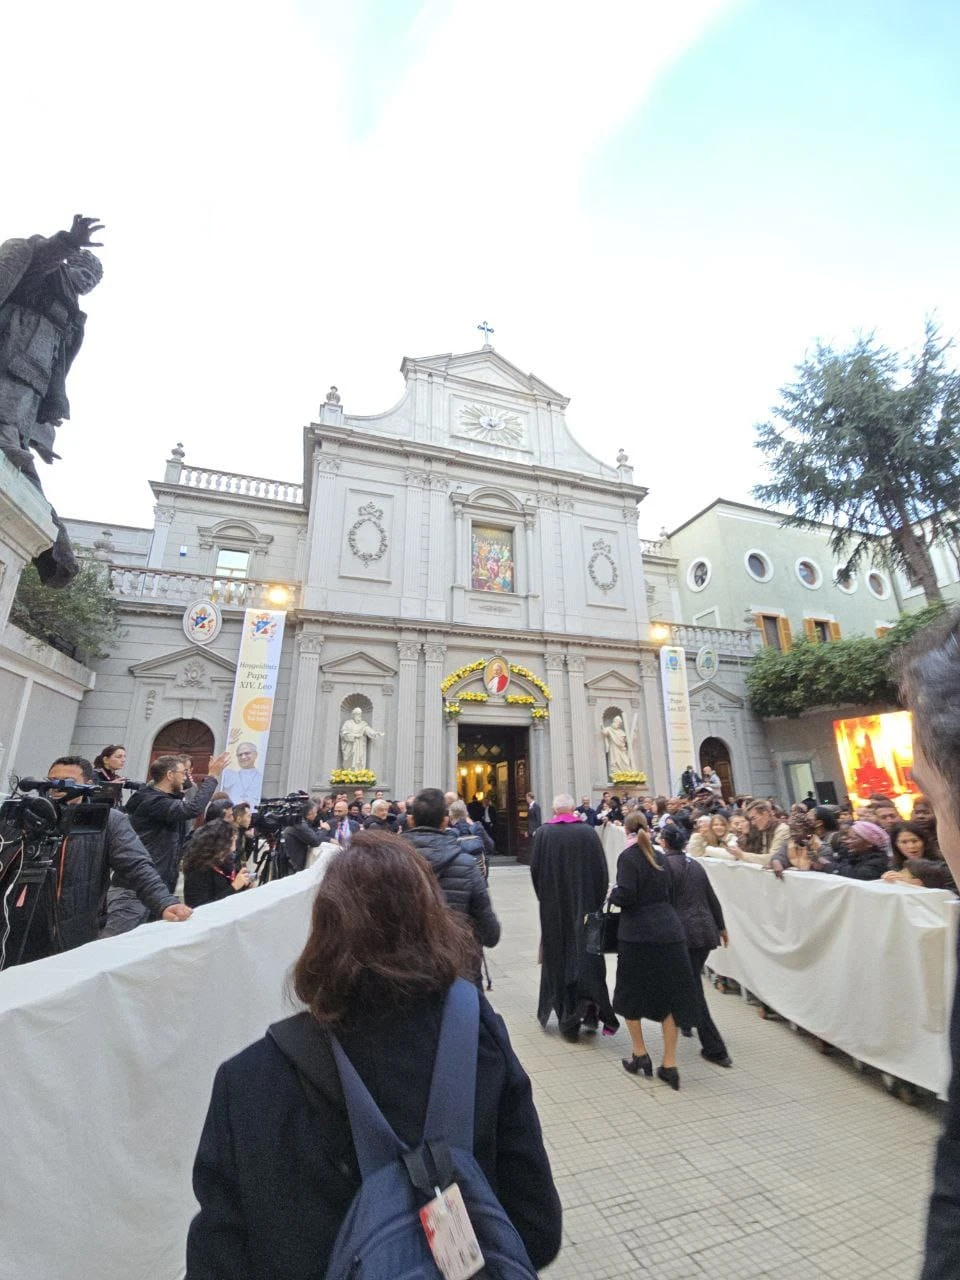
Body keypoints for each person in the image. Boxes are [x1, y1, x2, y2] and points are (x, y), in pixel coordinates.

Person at [186, 830, 562, 1277]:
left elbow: (217, 1260)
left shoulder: (248, 1080)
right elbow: (537, 1230)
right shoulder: (478, 1035)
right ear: (432, 919)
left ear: (322, 930)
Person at [0, 215, 105, 585]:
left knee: (14, 437)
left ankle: (55, 549)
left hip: (36, 381)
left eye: (93, 282)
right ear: (70, 265)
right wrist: (69, 242)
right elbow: (39, 255)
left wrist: (53, 405)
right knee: (8, 436)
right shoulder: (44, 277)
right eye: (85, 274)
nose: (87, 282)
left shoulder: (74, 316)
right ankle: (57, 555)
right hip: (9, 358)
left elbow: (62, 360)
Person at [29, 757, 191, 954]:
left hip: (74, 927)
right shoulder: (30, 816)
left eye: (67, 780)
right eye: (52, 779)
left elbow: (137, 865)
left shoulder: (109, 820)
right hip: (22, 924)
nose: (57, 785)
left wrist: (163, 902)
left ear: (88, 785)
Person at [611, 813, 700, 1089]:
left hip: (638, 935)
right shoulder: (660, 856)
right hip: (670, 932)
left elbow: (626, 893)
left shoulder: (628, 858)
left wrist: (612, 894)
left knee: (630, 993)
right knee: (671, 996)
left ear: (626, 830)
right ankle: (670, 1063)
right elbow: (669, 892)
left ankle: (640, 1053)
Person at [530, 794, 618, 1041]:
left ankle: (567, 1019)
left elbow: (535, 871)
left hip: (553, 910)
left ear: (554, 810)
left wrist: (545, 900)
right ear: (573, 809)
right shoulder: (588, 833)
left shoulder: (543, 834)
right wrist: (596, 902)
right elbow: (602, 871)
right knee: (587, 957)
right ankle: (590, 1011)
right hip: (585, 907)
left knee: (558, 958)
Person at [111, 753, 227, 935]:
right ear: (170, 775)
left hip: (158, 887)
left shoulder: (167, 799)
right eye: (183, 773)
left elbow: (187, 803)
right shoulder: (153, 801)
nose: (185, 777)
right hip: (136, 889)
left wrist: (186, 782)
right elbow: (193, 809)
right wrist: (212, 776)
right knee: (118, 942)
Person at [402, 788, 500, 974]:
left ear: (411, 820)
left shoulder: (386, 862)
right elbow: (491, 934)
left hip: (404, 972)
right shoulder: (467, 865)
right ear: (445, 821)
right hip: (457, 969)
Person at [659, 823, 733, 1068]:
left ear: (665, 843)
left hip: (683, 934)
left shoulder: (665, 866)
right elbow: (711, 897)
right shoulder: (696, 865)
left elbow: (663, 900)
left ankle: (714, 1047)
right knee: (687, 981)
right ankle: (686, 1022)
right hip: (704, 932)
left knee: (692, 988)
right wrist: (721, 927)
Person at [183, 820, 251, 906]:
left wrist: (245, 885)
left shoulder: (226, 861)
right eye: (232, 841)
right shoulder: (197, 870)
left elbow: (231, 883)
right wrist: (234, 887)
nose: (234, 848)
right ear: (220, 844)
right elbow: (200, 908)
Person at [882, 823, 955, 889]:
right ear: (896, 845)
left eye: (915, 841)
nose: (911, 846)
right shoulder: (895, 866)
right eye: (904, 842)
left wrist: (922, 885)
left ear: (924, 842)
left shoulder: (943, 866)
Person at [280, 802, 324, 873]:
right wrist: (323, 829)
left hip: (288, 863)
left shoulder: (294, 821)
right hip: (293, 866)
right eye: (315, 812)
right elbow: (316, 841)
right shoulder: (300, 824)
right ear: (309, 813)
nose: (316, 815)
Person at [220, 742, 264, 807]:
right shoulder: (231, 775)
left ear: (256, 754)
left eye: (247, 753)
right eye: (239, 755)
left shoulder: (261, 777)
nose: (243, 757)